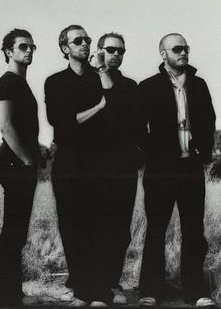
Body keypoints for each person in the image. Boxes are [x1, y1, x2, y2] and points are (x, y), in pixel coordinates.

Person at [44, 26, 138, 306]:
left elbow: (117, 111)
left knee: (101, 226)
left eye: (87, 39)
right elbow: (62, 122)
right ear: (65, 48)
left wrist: (101, 100)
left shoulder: (96, 77)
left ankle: (101, 288)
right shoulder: (56, 81)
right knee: (73, 226)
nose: (85, 44)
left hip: (100, 163)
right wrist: (97, 109)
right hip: (70, 163)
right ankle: (83, 288)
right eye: (78, 41)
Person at [137, 33, 216, 307]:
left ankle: (196, 291)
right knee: (157, 228)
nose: (183, 52)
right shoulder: (147, 87)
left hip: (191, 168)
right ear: (163, 54)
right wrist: (153, 152)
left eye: (186, 48)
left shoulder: (199, 85)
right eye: (177, 48)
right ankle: (150, 291)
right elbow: (137, 128)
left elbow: (209, 120)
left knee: (194, 230)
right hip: (160, 169)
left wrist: (203, 152)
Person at [0, 29, 39, 306]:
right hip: (15, 164)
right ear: (9, 52)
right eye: (22, 46)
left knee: (17, 232)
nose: (29, 50)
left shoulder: (20, 83)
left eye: (32, 46)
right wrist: (26, 160)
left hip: (20, 164)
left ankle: (13, 293)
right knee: (13, 233)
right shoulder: (9, 81)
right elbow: (5, 126)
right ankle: (7, 297)